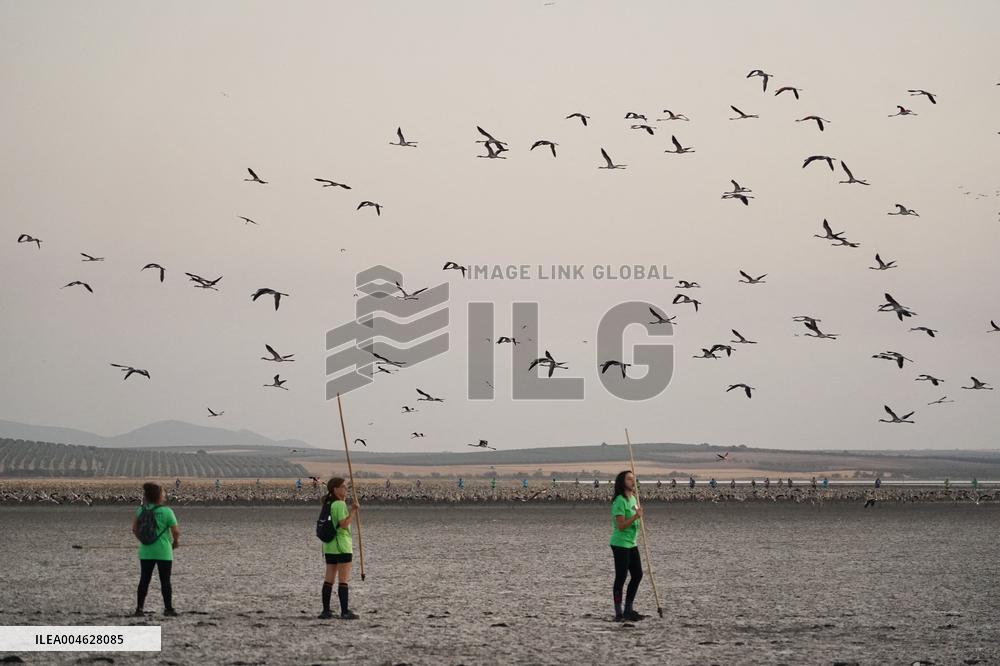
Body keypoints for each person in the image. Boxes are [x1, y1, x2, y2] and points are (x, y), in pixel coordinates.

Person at [132, 482, 179, 617]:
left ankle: (139, 608)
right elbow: (176, 531)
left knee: (144, 580)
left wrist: (143, 540)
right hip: (164, 551)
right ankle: (168, 609)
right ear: (159, 496)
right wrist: (175, 543)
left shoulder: (141, 510)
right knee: (165, 581)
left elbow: (134, 529)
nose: (165, 495)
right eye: (163, 493)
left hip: (146, 551)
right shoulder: (167, 511)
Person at [319, 478, 360, 620]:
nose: (346, 489)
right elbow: (343, 524)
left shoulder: (328, 503)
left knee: (328, 579)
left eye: (346, 487)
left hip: (329, 547)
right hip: (342, 546)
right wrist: (353, 511)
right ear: (335, 489)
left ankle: (326, 611)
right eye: (343, 487)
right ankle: (344, 612)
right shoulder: (339, 504)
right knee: (343, 580)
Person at [610, 470, 645, 622]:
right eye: (630, 479)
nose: (633, 481)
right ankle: (619, 612)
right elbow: (621, 525)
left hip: (632, 543)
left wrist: (639, 519)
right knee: (621, 577)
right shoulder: (620, 501)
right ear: (623, 482)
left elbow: (635, 520)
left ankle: (628, 609)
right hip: (620, 544)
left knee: (637, 574)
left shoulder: (633, 500)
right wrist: (636, 517)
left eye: (634, 479)